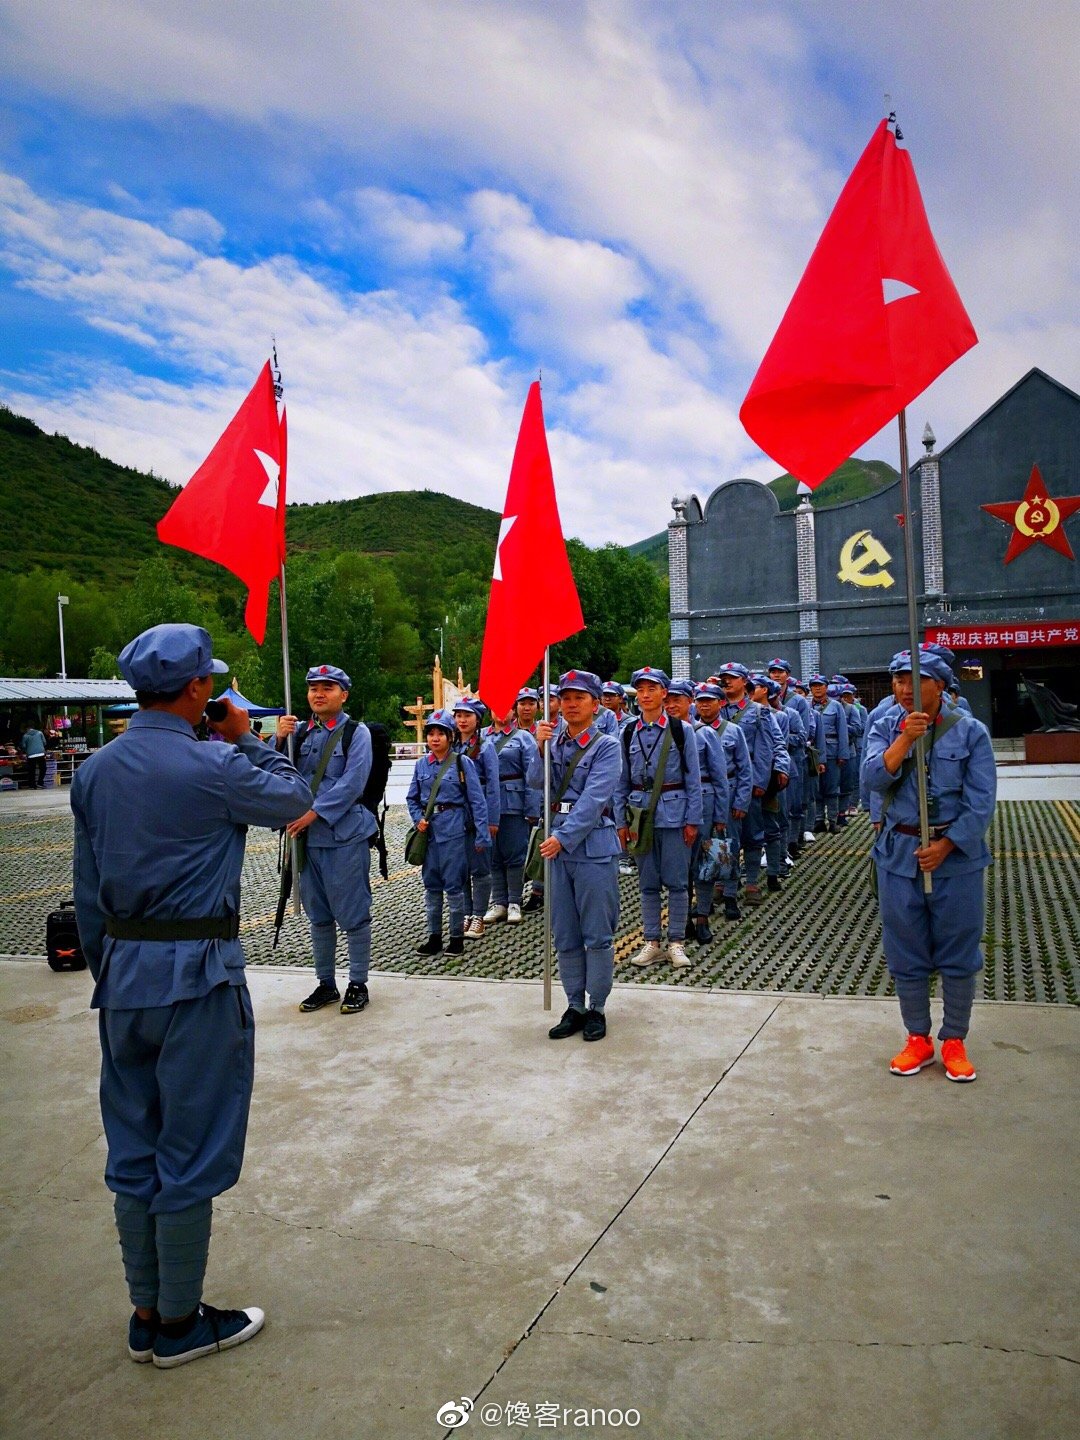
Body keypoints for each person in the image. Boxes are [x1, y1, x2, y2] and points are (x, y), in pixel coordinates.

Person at [70, 623, 312, 1368]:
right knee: (191, 1146)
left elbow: (86, 894)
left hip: (123, 977)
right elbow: (295, 796)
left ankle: (145, 1310)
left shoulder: (95, 769)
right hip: (199, 975)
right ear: (202, 689)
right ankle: (179, 1322)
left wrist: (110, 968)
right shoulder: (214, 764)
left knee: (134, 1144)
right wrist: (246, 737)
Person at [863, 649, 996, 1082]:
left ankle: (954, 1040)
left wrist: (948, 845)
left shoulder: (971, 733)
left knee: (959, 949)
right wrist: (904, 739)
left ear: (939, 684)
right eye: (898, 681)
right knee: (906, 950)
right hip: (899, 855)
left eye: (914, 680)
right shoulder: (884, 725)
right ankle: (917, 1038)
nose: (904, 689)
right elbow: (871, 778)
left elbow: (981, 803)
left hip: (955, 860)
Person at [276, 664, 380, 1016]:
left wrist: (313, 813)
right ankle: (325, 983)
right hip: (307, 841)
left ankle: (358, 982)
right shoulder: (301, 733)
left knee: (352, 913)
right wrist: (279, 740)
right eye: (313, 688)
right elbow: (282, 774)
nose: (318, 694)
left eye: (327, 688)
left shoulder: (356, 733)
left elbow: (353, 783)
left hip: (343, 836)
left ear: (344, 694)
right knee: (318, 916)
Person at [528, 670, 622, 1041]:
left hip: (592, 847)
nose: (569, 704)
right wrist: (539, 748)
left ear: (595, 704)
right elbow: (537, 782)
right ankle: (574, 1005)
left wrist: (562, 838)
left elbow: (594, 800)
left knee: (596, 933)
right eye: (564, 697)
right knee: (565, 931)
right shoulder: (554, 741)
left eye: (578, 698)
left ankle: (597, 1006)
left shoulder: (607, 745)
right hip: (559, 849)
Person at [615, 666, 702, 968]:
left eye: (652, 689)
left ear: (664, 693)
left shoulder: (681, 730)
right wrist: (621, 822)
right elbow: (621, 781)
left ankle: (676, 942)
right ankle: (651, 941)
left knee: (677, 882)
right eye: (640, 690)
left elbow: (693, 779)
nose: (645, 695)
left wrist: (693, 820)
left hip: (675, 814)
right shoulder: (627, 731)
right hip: (640, 814)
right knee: (647, 882)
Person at [407, 710, 489, 956]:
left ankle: (456, 938)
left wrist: (482, 834)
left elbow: (477, 800)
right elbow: (412, 798)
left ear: (450, 736)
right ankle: (434, 937)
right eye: (431, 733)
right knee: (431, 886)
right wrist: (417, 819)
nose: (434, 738)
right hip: (428, 833)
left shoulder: (463, 763)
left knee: (454, 886)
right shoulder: (421, 764)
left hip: (454, 831)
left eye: (440, 733)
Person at [664, 680, 730, 945]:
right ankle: (683, 923)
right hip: (673, 809)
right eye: (668, 700)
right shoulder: (662, 732)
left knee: (706, 864)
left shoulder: (704, 733)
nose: (671, 705)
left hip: (704, 802)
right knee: (678, 870)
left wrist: (721, 818)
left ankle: (702, 917)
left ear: (689, 701)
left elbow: (720, 777)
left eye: (677, 700)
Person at [715, 662, 784, 909]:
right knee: (720, 835)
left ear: (745, 681)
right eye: (724, 678)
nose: (727, 682)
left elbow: (766, 748)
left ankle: (752, 881)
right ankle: (723, 881)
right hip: (719, 783)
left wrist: (760, 781)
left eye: (732, 678)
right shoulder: (714, 709)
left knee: (752, 834)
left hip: (749, 780)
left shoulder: (757, 712)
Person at [692, 682, 752, 922]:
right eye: (701, 700)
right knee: (701, 850)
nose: (704, 705)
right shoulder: (690, 730)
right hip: (702, 795)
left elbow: (744, 769)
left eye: (710, 700)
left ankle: (729, 895)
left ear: (721, 703)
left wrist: (741, 802)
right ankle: (704, 902)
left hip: (727, 793)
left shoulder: (732, 731)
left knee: (727, 847)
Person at [482, 706, 539, 925]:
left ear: (513, 713)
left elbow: (532, 776)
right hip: (487, 803)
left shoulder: (523, 738)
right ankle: (499, 902)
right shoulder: (481, 736)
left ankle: (515, 901)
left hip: (513, 802)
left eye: (506, 707)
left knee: (514, 854)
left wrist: (532, 808)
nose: (501, 712)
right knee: (493, 855)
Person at [453, 697, 500, 937]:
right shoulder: (451, 744)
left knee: (480, 868)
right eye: (458, 715)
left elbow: (493, 785)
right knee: (460, 868)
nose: (462, 720)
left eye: (467, 716)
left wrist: (492, 820)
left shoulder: (485, 746)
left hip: (478, 813)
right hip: (454, 816)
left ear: (477, 719)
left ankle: (479, 916)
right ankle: (465, 914)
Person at [808, 674, 850, 832]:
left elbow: (842, 731)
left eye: (820, 685)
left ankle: (833, 820)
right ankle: (818, 820)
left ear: (826, 687)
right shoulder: (807, 706)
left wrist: (842, 754)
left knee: (832, 787)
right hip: (814, 752)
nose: (817, 688)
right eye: (814, 685)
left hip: (832, 750)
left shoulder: (836, 706)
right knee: (816, 788)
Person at [21, 721, 47, 788]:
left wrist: (26, 749)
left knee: (32, 770)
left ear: (27, 728)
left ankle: (32, 785)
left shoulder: (25, 736)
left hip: (31, 755)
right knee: (43, 768)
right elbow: (44, 742)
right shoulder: (40, 733)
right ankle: (40, 782)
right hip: (41, 753)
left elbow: (23, 746)